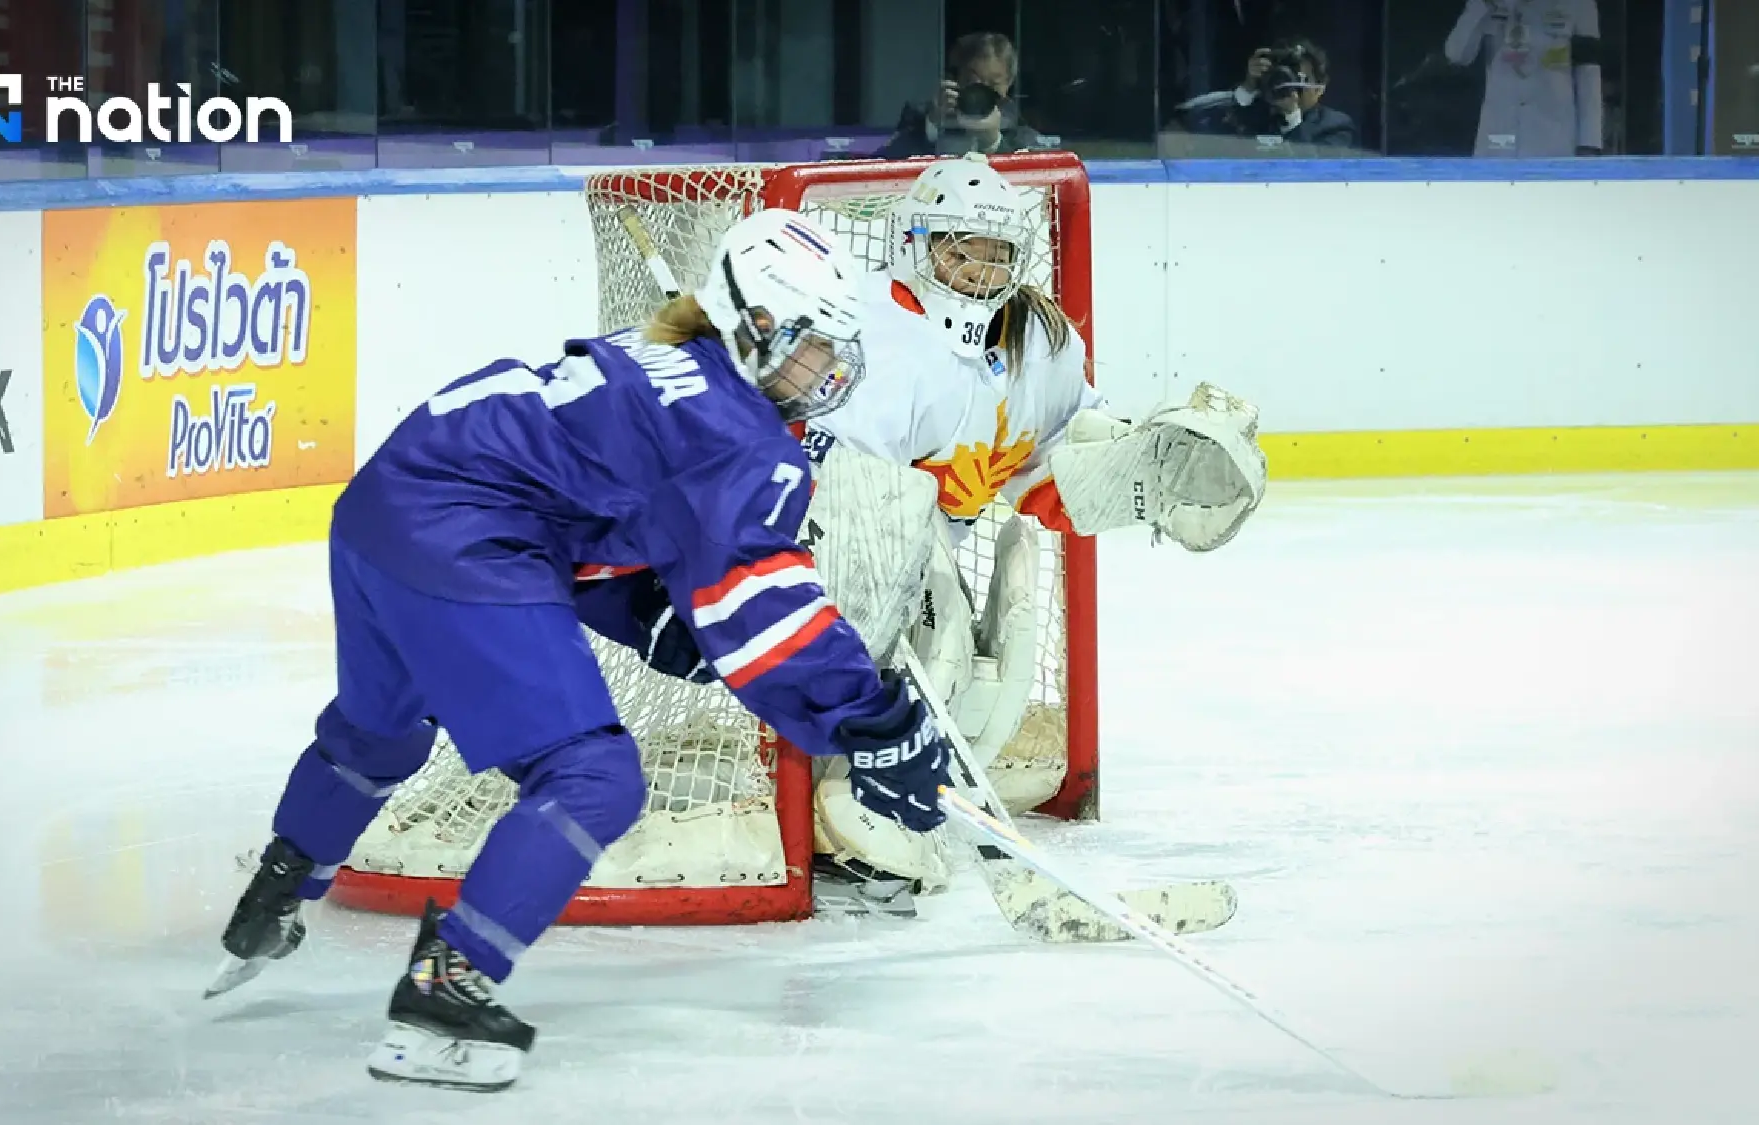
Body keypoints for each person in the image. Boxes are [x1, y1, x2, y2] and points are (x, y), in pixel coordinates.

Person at [205, 209, 956, 1093]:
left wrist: (648, 611)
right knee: (594, 777)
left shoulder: (652, 355)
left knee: (382, 733)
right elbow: (767, 615)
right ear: (755, 325)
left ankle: (276, 892)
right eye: (813, 344)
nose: (832, 367)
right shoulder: (737, 435)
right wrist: (872, 721)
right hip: (464, 533)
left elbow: (570, 509)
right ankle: (444, 995)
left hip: (384, 504)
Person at [797, 154, 1269, 901]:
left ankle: (900, 796)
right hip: (828, 560)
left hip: (924, 549)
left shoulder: (1038, 344)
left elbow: (1054, 462)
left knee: (1003, 662)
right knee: (937, 648)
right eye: (959, 246)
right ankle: (845, 809)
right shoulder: (870, 335)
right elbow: (843, 501)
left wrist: (1143, 467)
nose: (980, 267)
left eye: (997, 251)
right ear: (913, 241)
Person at [1444, 0, 1603, 157]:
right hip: (1497, 139)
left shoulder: (1580, 3)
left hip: (1553, 139)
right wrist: (1482, 5)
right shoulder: (1486, 3)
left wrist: (1589, 142)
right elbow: (1457, 55)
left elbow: (1588, 73)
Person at [876, 32, 1044, 159]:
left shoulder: (1017, 124)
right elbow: (889, 159)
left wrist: (994, 142)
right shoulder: (919, 114)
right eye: (973, 81)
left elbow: (1030, 173)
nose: (982, 91)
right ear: (957, 78)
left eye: (993, 84)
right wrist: (931, 126)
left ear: (1009, 84)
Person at [1178, 39, 1358, 153]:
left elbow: (1316, 174)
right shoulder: (1254, 114)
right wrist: (1247, 90)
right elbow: (1201, 129)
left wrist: (1292, 120)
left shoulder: (1336, 126)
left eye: (1299, 78)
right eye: (1285, 75)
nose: (1288, 82)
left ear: (1320, 87)